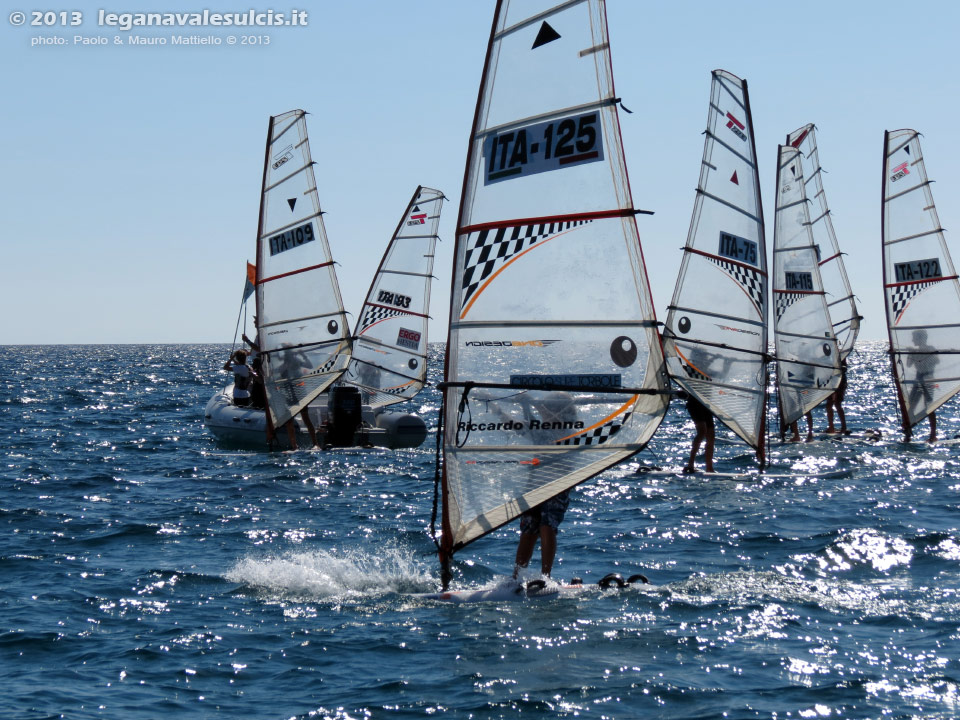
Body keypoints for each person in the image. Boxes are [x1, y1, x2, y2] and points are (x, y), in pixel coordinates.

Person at [512, 392, 577, 579]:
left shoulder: (569, 431)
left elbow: (553, 422)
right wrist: (491, 404)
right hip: (533, 488)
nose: (544, 412)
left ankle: (545, 576)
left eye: (547, 409)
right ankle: (516, 577)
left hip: (557, 488)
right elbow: (519, 423)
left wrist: (531, 404)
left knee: (547, 526)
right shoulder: (540, 429)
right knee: (529, 531)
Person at [905, 329, 938, 442]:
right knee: (910, 407)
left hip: (928, 379)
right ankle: (907, 435)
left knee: (929, 407)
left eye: (914, 338)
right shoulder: (915, 351)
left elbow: (936, 361)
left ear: (920, 339)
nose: (912, 340)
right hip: (918, 380)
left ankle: (933, 435)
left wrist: (922, 353)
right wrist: (911, 354)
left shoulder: (930, 348)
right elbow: (909, 365)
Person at [684, 392, 715, 473]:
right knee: (702, 431)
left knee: (711, 435)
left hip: (706, 403)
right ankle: (690, 463)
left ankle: (709, 468)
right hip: (694, 403)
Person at [825, 359, 849, 435]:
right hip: (830, 379)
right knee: (829, 404)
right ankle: (831, 427)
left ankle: (843, 427)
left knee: (837, 403)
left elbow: (844, 367)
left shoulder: (841, 356)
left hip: (839, 379)